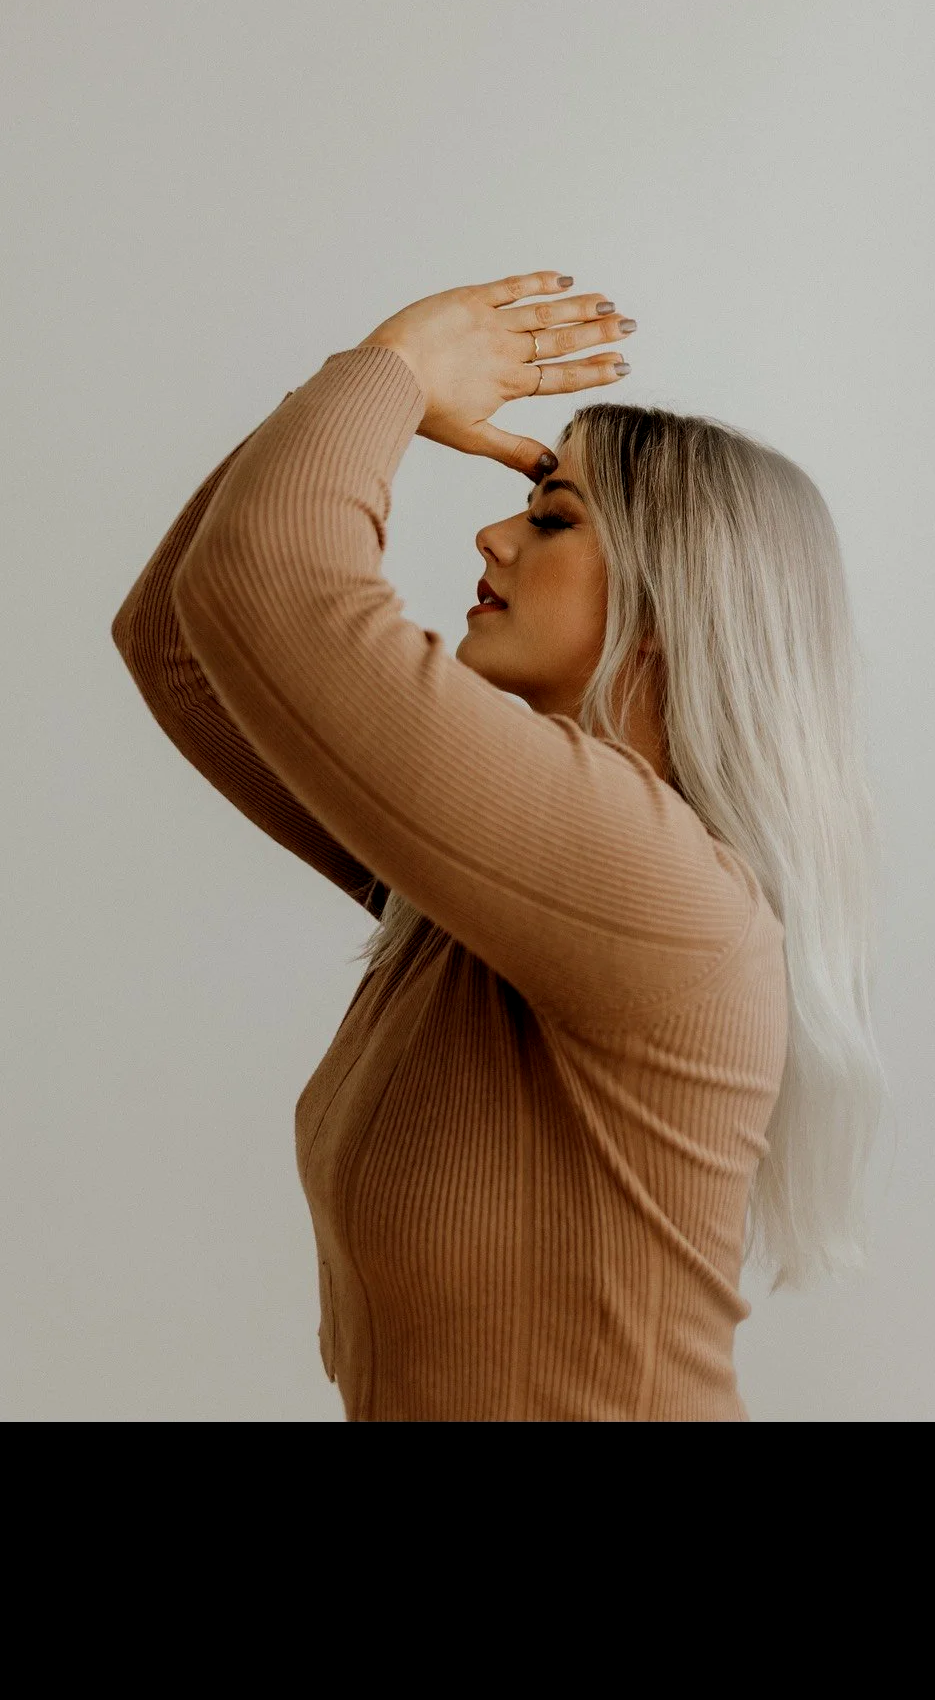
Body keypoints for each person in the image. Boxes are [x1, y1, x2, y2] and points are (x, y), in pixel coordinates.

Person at [111, 268, 888, 1421]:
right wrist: (373, 383)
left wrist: (391, 373)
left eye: (553, 515)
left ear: (676, 602)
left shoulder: (650, 886)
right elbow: (182, 633)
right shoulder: (504, 904)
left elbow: (269, 584)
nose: (491, 530)